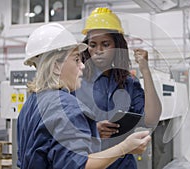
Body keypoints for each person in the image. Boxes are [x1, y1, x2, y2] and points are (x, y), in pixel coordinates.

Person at [17, 23, 151, 169]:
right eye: (76, 59)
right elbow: (79, 166)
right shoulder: (66, 106)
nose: (82, 65)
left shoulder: (31, 103)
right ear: (56, 66)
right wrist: (125, 147)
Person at [76, 7, 162, 169]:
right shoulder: (77, 82)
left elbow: (152, 119)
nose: (98, 51)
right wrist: (93, 131)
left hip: (123, 164)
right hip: (90, 162)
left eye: (105, 44)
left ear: (117, 46)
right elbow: (65, 129)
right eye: (92, 45)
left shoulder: (129, 82)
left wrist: (145, 70)